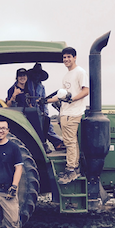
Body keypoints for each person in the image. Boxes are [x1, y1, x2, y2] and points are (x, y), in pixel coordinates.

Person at [45, 47, 89, 184]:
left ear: (75, 57)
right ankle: (72, 168)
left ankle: (72, 169)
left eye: (69, 57)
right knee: (69, 141)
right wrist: (45, 101)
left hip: (74, 112)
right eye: (64, 57)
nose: (66, 60)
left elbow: (86, 91)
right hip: (65, 112)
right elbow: (61, 97)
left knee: (70, 142)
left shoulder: (80, 72)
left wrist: (73, 99)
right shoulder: (66, 76)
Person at [27, 63, 65, 152]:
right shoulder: (26, 83)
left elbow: (44, 101)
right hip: (29, 111)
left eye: (38, 74)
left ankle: (57, 143)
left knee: (47, 122)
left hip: (39, 111)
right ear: (32, 74)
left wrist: (45, 113)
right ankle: (57, 143)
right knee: (45, 125)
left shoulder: (41, 87)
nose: (36, 75)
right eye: (35, 73)